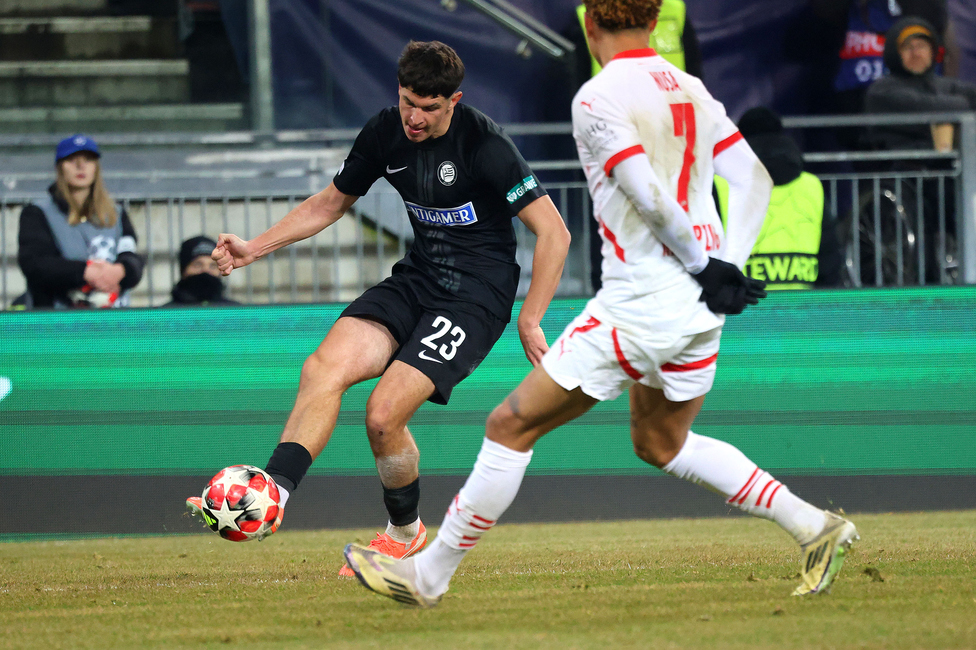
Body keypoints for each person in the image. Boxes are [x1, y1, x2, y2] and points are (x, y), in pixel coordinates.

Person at [344, 0, 859, 608]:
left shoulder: (598, 95)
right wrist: (726, 269)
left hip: (644, 300)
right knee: (661, 442)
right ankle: (814, 528)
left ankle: (427, 576)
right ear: (654, 18)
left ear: (591, 26)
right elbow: (755, 178)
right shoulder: (690, 86)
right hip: (700, 310)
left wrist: (703, 266)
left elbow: (645, 191)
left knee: (510, 426)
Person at [186, 41, 572, 574]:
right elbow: (329, 203)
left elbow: (554, 231)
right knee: (323, 367)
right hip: (417, 279)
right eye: (408, 101)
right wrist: (255, 247)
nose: (415, 117)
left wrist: (530, 317)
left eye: (430, 108)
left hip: (474, 298)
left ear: (454, 101)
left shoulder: (485, 145)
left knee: (383, 416)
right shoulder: (384, 131)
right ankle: (272, 490)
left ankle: (403, 531)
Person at [714, 107, 843, 289]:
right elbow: (830, 254)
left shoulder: (723, 185)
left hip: (744, 306)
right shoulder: (811, 185)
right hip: (802, 307)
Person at [16, 134, 144, 309]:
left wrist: (120, 271)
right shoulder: (38, 212)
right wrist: (85, 272)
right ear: (59, 167)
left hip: (113, 323)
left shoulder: (116, 212)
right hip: (55, 323)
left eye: (88, 159)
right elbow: (35, 264)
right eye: (71, 159)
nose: (80, 166)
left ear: (96, 167)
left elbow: (131, 256)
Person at [865, 16, 976, 151]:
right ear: (894, 53)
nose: (916, 53)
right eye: (908, 47)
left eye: (922, 46)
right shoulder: (881, 91)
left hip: (947, 168)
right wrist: (965, 105)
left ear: (932, 52)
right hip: (900, 168)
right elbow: (929, 109)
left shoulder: (945, 85)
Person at [162, 235, 240, 306]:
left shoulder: (235, 313)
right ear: (183, 270)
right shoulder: (165, 314)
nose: (206, 271)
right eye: (198, 265)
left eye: (213, 266)